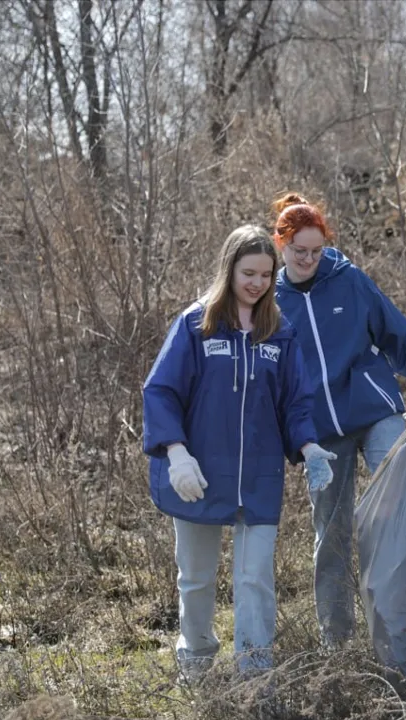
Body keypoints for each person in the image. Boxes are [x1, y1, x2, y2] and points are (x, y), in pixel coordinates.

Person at [142, 224, 338, 678]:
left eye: (267, 275)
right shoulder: (195, 325)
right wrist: (176, 453)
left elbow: (295, 400)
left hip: (258, 479)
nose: (258, 283)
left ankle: (254, 677)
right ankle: (195, 662)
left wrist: (308, 446)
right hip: (200, 472)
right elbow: (162, 391)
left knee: (255, 581)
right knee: (196, 580)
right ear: (228, 270)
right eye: (249, 273)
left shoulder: (279, 333)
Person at [271, 193, 406, 650]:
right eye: (298, 251)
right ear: (280, 246)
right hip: (321, 435)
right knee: (331, 536)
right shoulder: (270, 301)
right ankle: (338, 644)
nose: (308, 259)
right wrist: (290, 438)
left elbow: (394, 331)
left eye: (316, 249)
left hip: (373, 412)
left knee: (397, 493)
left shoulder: (349, 281)